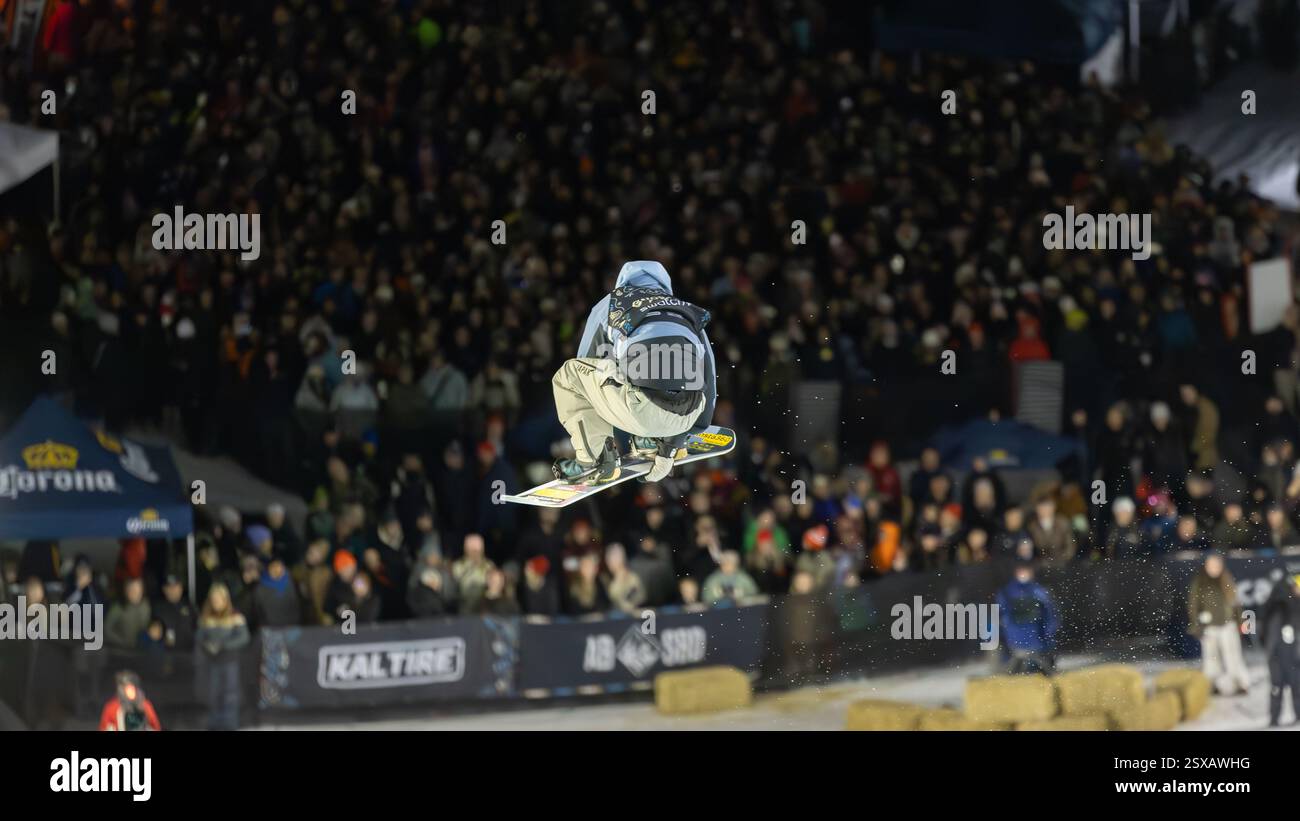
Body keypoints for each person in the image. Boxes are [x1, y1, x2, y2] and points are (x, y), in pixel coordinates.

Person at [551, 261, 716, 483]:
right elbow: (708, 381)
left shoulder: (613, 303)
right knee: (653, 369)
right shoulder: (686, 311)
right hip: (688, 416)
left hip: (642, 410)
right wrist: (676, 444)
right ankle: (650, 440)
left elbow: (587, 364)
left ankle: (595, 460)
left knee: (569, 375)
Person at [1187, 553, 1250, 695]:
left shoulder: (1227, 581)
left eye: (1217, 565)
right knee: (1211, 659)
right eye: (1211, 565)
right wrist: (1196, 625)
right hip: (1209, 627)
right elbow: (1193, 605)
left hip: (1228, 626)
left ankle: (1241, 683)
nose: (1214, 568)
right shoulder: (1199, 582)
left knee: (1233, 656)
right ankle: (1212, 685)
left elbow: (1236, 604)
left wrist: (1241, 622)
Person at [195, 583, 251, 730]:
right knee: (214, 694)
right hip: (212, 663)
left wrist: (223, 645)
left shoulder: (235, 616)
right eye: (214, 600)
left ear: (225, 600)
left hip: (230, 661)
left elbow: (244, 638)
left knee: (230, 693)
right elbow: (199, 637)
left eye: (219, 599)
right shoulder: (206, 618)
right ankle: (215, 724)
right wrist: (208, 644)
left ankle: (230, 724)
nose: (216, 603)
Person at [995, 563, 1060, 674]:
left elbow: (1050, 617)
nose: (1023, 574)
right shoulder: (1006, 593)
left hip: (1038, 647)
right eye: (1021, 570)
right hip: (1015, 649)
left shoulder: (1040, 593)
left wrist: (1048, 639)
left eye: (1026, 570)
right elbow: (998, 619)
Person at [1262, 570, 1300, 726]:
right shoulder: (1279, 605)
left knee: (1296, 685)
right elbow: (1268, 635)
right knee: (1277, 686)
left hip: (1293, 654)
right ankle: (1274, 719)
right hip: (1279, 655)